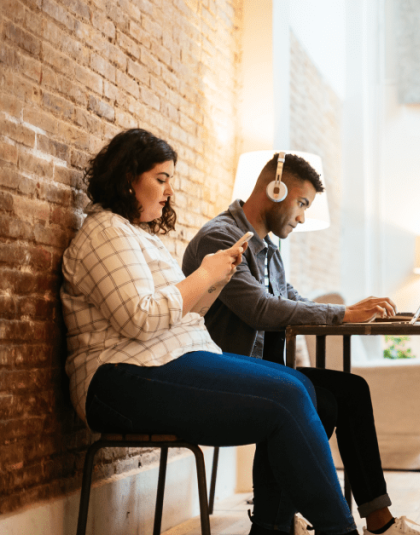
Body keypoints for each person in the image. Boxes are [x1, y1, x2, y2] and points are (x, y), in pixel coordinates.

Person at [61, 129, 365, 535]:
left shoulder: (136, 235)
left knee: (300, 387)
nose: (169, 190)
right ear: (128, 177)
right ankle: (340, 531)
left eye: (171, 179)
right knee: (291, 393)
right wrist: (203, 274)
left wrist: (213, 282)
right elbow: (138, 317)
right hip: (118, 378)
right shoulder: (104, 232)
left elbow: (181, 316)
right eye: (161, 178)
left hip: (160, 361)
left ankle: (274, 529)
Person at [182, 154, 420, 535]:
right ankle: (272, 521)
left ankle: (377, 519)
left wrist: (361, 311)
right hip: (223, 371)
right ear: (274, 190)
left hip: (266, 370)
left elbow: (294, 300)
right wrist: (343, 313)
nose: (303, 216)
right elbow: (260, 310)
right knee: (316, 398)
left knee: (352, 390)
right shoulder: (222, 237)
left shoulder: (269, 251)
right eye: (302, 203)